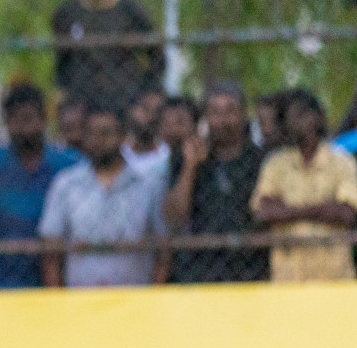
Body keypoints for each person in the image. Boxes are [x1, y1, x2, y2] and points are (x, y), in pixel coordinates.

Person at [39, 105, 168, 287]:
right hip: (80, 304)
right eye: (91, 134)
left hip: (135, 304)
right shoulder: (66, 185)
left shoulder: (147, 186)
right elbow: (50, 251)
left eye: (106, 133)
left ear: (123, 136)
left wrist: (154, 298)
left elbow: (163, 249)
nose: (98, 140)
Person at [0, 84, 82, 289]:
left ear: (43, 120)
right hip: (1, 282)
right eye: (14, 120)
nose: (22, 128)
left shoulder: (69, 165)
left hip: (56, 280)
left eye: (28, 118)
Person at [162, 82, 267, 284]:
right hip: (198, 270)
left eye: (230, 110)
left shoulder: (260, 161)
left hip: (249, 269)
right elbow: (174, 216)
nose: (223, 119)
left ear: (243, 115)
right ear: (205, 118)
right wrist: (190, 167)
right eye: (215, 111)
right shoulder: (185, 157)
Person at [251, 89, 357, 282]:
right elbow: (263, 212)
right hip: (287, 279)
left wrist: (288, 211)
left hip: (334, 279)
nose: (294, 122)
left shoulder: (342, 162)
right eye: (288, 116)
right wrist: (323, 208)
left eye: (300, 114)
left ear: (317, 117)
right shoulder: (275, 164)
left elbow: (346, 213)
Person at [51, 0, 160, 114]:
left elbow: (157, 56)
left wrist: (148, 93)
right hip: (81, 104)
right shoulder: (66, 12)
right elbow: (61, 63)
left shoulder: (132, 10)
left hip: (125, 103)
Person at [122, 86, 171, 180]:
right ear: (131, 110)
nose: (151, 115)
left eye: (157, 111)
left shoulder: (166, 157)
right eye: (145, 108)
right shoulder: (114, 149)